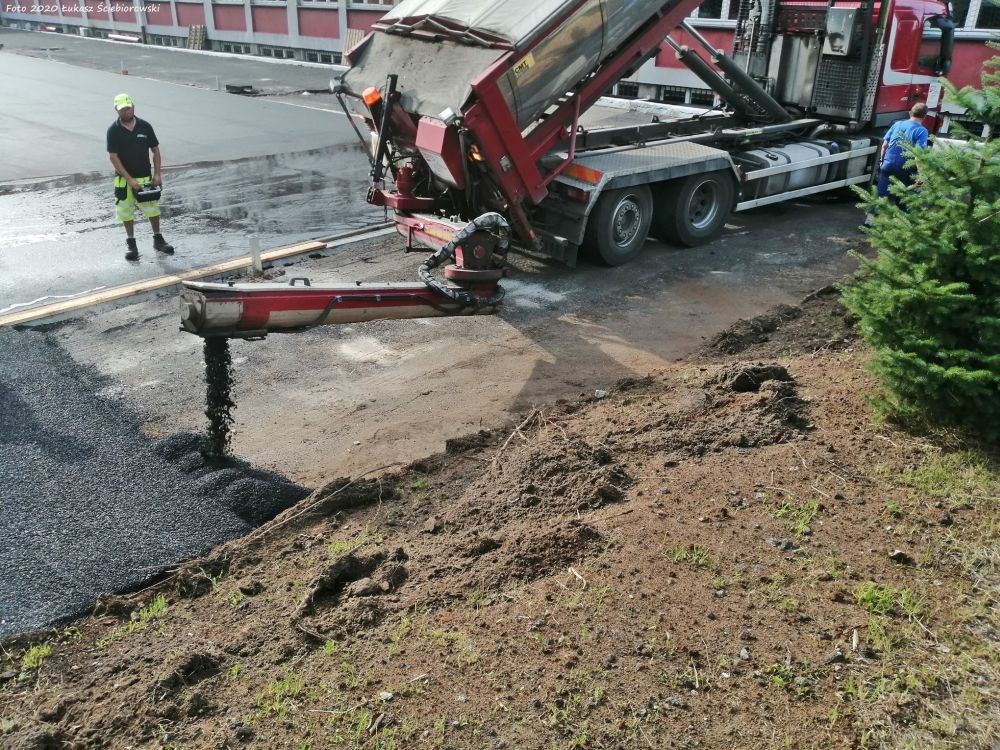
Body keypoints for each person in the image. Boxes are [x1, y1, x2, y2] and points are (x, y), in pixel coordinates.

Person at [106, 93, 174, 261]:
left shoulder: (145, 126)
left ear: (133, 107)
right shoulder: (113, 130)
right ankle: (132, 245)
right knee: (125, 212)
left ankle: (158, 240)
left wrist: (157, 174)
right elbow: (113, 157)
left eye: (128, 108)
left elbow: (155, 150)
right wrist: (129, 179)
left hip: (145, 177)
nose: (126, 112)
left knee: (152, 209)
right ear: (117, 110)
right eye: (122, 110)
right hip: (124, 180)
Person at [876, 102, 930, 201]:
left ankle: (871, 215)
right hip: (905, 169)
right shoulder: (921, 131)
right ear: (925, 116)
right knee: (904, 200)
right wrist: (921, 175)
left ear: (910, 113)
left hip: (888, 164)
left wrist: (881, 161)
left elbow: (884, 145)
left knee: (880, 197)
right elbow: (918, 155)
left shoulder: (897, 124)